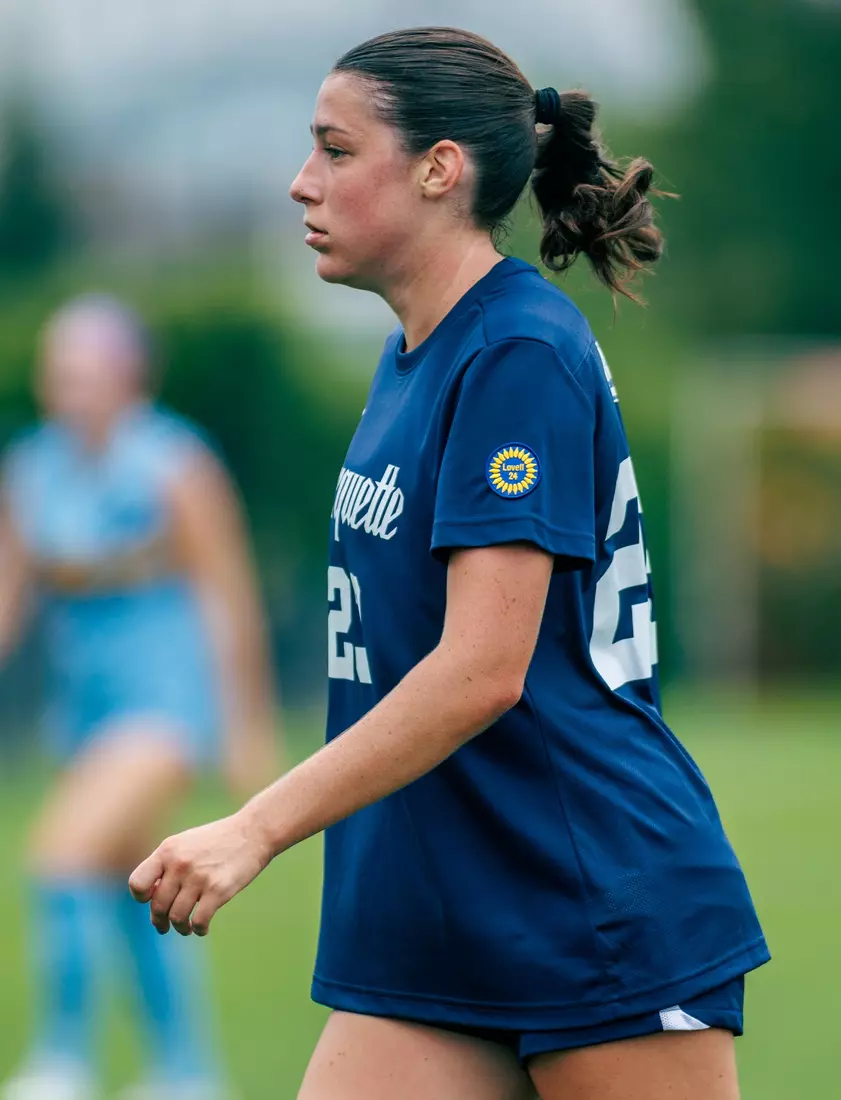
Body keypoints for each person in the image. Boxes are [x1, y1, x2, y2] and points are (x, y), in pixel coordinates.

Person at [129, 27, 770, 1100]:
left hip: (588, 901)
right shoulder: (411, 358)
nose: (300, 183)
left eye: (334, 150)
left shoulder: (515, 349)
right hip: (434, 914)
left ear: (439, 170)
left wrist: (254, 826)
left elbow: (483, 668)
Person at [0, 295, 279, 1100]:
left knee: (58, 856)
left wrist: (246, 722)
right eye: (58, 373)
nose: (67, 389)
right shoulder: (32, 466)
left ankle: (60, 1063)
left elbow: (226, 592)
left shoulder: (175, 463)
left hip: (164, 703)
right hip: (82, 711)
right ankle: (187, 1072)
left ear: (130, 376)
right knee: (138, 884)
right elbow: (10, 598)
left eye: (85, 372)